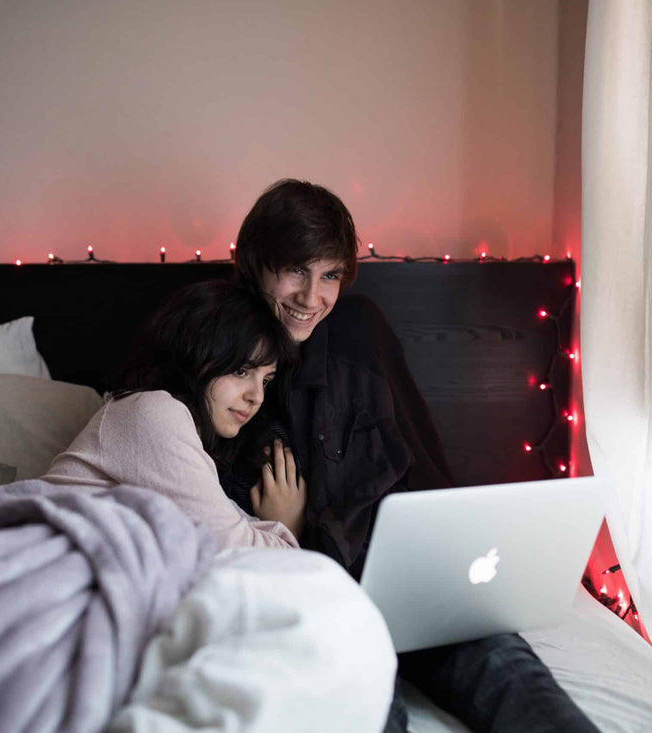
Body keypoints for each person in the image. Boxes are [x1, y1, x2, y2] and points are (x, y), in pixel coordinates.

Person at [227, 179, 600, 732]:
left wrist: (459, 562)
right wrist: (283, 532)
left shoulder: (358, 329)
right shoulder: (224, 345)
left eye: (329, 274)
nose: (311, 297)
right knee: (371, 706)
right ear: (257, 264)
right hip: (318, 593)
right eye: (295, 270)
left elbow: (422, 464)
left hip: (412, 580)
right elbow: (204, 487)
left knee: (512, 674)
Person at [44, 279, 306, 550]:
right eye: (241, 371)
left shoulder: (183, 435)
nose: (257, 396)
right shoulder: (153, 412)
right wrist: (287, 526)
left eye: (265, 381)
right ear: (195, 354)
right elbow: (236, 548)